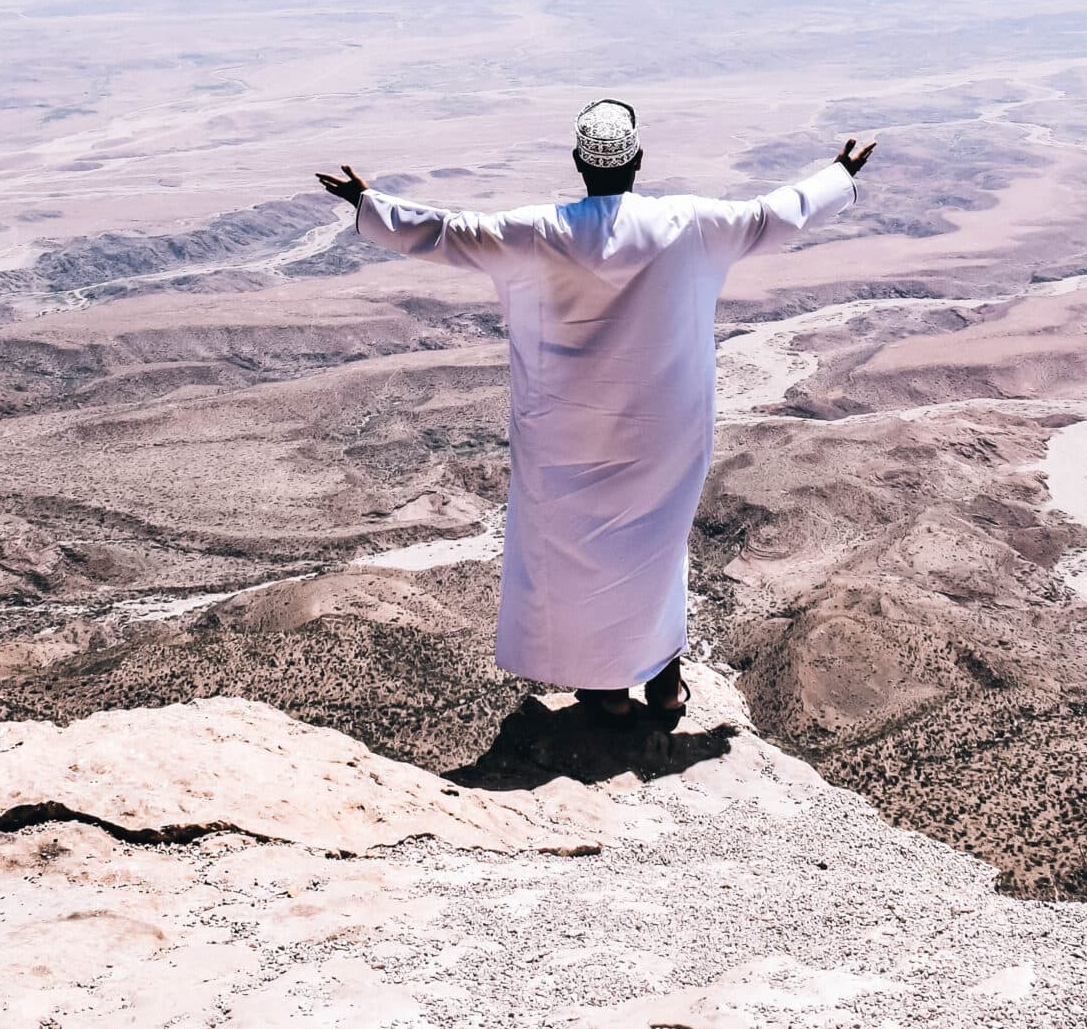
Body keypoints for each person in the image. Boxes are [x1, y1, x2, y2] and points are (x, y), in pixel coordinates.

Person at [314, 100, 873, 722]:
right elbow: (774, 215)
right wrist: (838, 175)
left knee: (582, 556)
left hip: (565, 431)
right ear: (637, 158)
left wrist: (369, 203)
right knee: (657, 545)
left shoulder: (537, 231)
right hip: (664, 426)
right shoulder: (689, 222)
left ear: (579, 162)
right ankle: (664, 685)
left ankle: (606, 694)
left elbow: (446, 233)